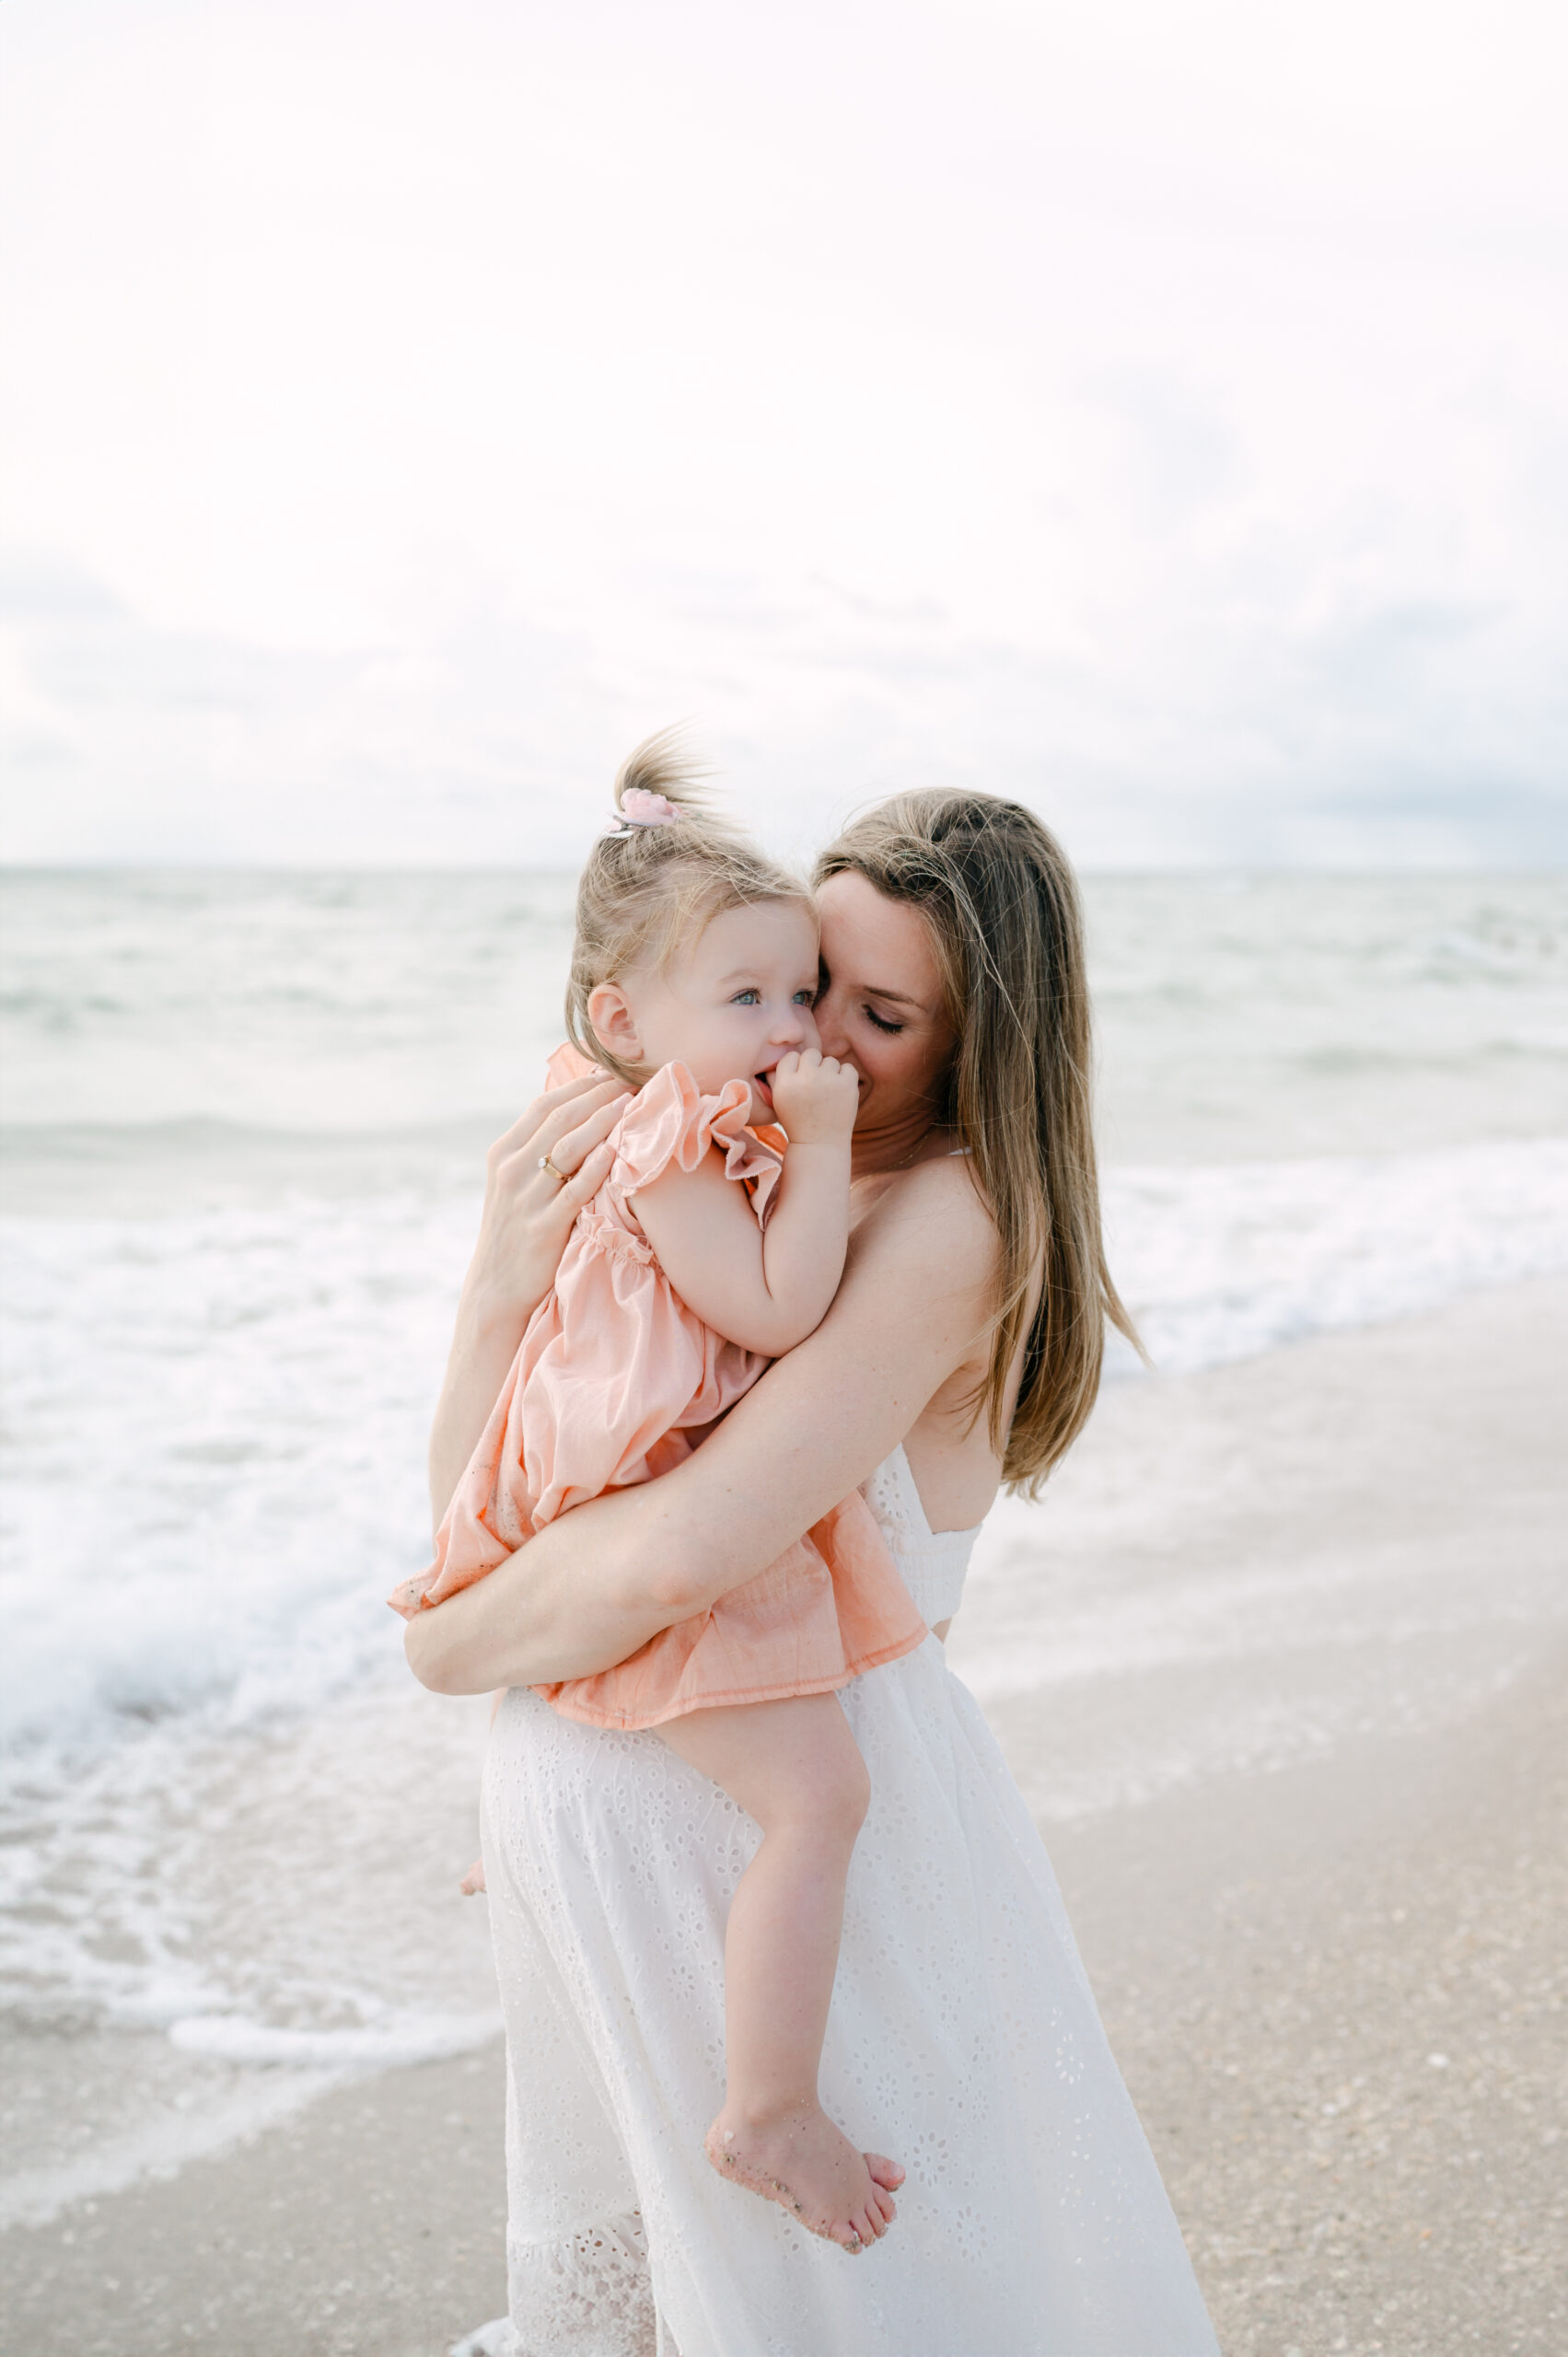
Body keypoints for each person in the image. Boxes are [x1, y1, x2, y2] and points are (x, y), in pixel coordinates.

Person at [406, 786, 1221, 2357]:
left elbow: (691, 1546)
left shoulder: (947, 1212)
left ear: (991, 1045)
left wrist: (454, 1652)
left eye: (881, 1012)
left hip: (753, 1827)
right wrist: (492, 1291)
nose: (814, 1036)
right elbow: (510, 1480)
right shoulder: (732, 1167)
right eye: (798, 978)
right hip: (649, 1800)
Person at [391, 736, 923, 2252]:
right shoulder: (675, 1132)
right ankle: (770, 2104)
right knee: (819, 1799)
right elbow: (773, 1311)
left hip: (599, 1477)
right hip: (638, 1482)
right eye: (748, 998)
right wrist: (819, 1146)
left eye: (807, 994)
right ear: (625, 1018)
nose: (791, 1029)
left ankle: (550, 1792)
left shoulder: (624, 1103)